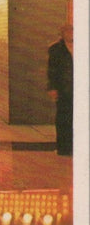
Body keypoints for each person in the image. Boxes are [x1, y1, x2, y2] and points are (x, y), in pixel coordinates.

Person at [47, 24, 74, 157]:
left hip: (79, 88)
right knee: (64, 117)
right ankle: (63, 147)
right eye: (68, 32)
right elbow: (52, 70)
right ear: (62, 34)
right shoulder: (56, 49)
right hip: (64, 89)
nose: (71, 34)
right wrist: (52, 87)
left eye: (73, 31)